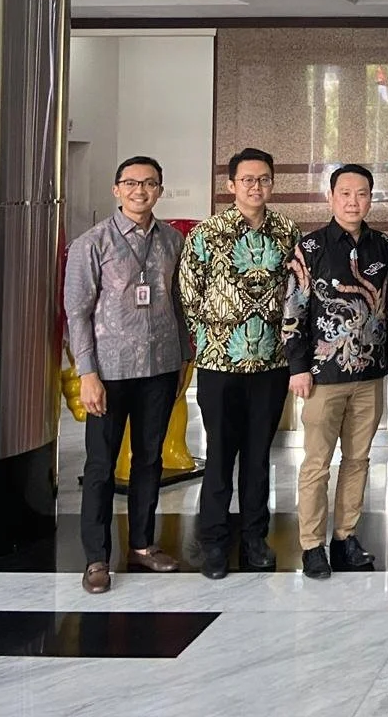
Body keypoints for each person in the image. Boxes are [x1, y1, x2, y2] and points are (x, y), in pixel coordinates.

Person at [65, 156, 191, 594]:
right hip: (109, 372)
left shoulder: (172, 241)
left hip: (159, 368)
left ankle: (142, 543)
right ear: (116, 189)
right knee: (101, 465)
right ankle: (96, 558)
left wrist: (182, 360)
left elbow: (178, 305)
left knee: (149, 460)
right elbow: (76, 314)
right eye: (131, 183)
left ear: (160, 190)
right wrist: (87, 373)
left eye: (150, 183)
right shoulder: (91, 244)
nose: (141, 190)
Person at [177, 147, 301, 579]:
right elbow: (188, 294)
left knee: (258, 456)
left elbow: (297, 293)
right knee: (219, 455)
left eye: (263, 179)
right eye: (247, 179)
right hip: (219, 365)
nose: (255, 186)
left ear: (272, 183)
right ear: (231, 185)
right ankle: (213, 540)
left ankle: (254, 536)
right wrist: (216, 332)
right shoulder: (207, 234)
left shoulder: (287, 232)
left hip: (271, 366)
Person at [283, 164, 388, 580]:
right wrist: (298, 369)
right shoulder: (309, 248)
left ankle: (345, 537)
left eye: (361, 193)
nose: (353, 201)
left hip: (369, 376)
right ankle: (312, 545)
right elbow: (293, 310)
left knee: (359, 459)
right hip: (321, 376)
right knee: (316, 463)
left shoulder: (383, 246)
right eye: (344, 193)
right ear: (330, 198)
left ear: (370, 198)